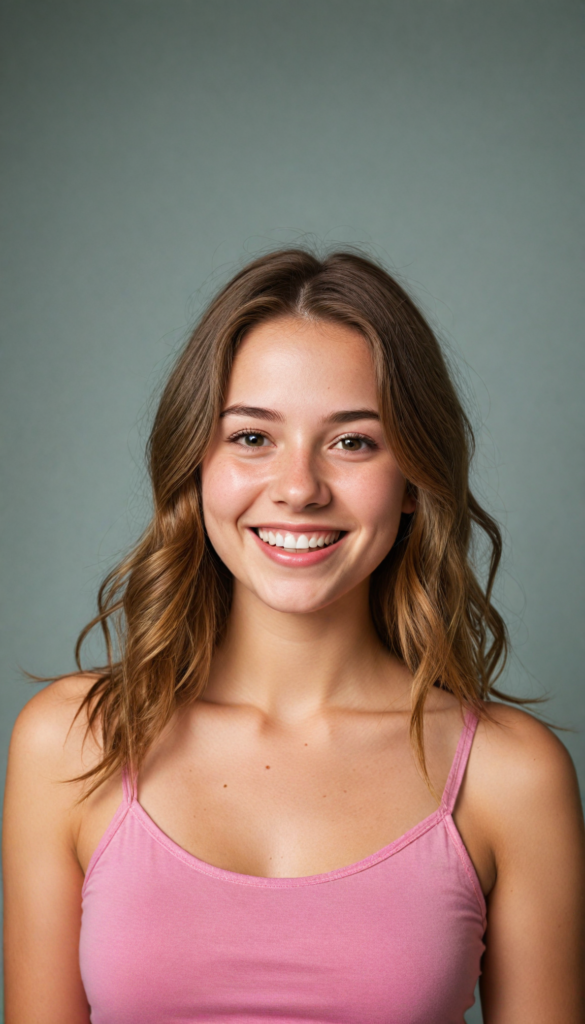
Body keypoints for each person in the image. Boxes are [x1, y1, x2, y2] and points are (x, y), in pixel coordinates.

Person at [3, 249, 584, 1024]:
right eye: (252, 438)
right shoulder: (74, 743)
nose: (300, 487)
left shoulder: (509, 775)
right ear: (196, 463)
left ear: (413, 480)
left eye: (352, 442)